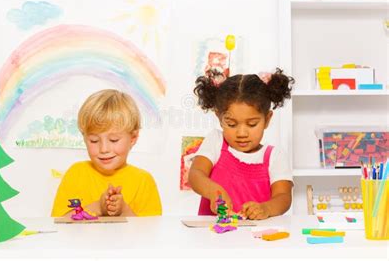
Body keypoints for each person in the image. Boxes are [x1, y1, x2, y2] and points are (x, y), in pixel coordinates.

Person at [188, 68, 295, 220]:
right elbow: (195, 174)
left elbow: (283, 197)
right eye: (231, 124)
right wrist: (213, 191)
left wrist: (266, 208)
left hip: (256, 239)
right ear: (219, 117)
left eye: (252, 124)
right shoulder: (216, 142)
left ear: (268, 119)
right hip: (211, 238)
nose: (242, 133)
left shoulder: (275, 157)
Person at [51, 89, 162, 217]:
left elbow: (151, 231)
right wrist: (98, 207)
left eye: (113, 140)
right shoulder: (76, 173)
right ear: (84, 138)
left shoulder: (143, 181)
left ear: (133, 138)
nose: (104, 149)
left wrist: (123, 211)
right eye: (94, 140)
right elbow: (58, 224)